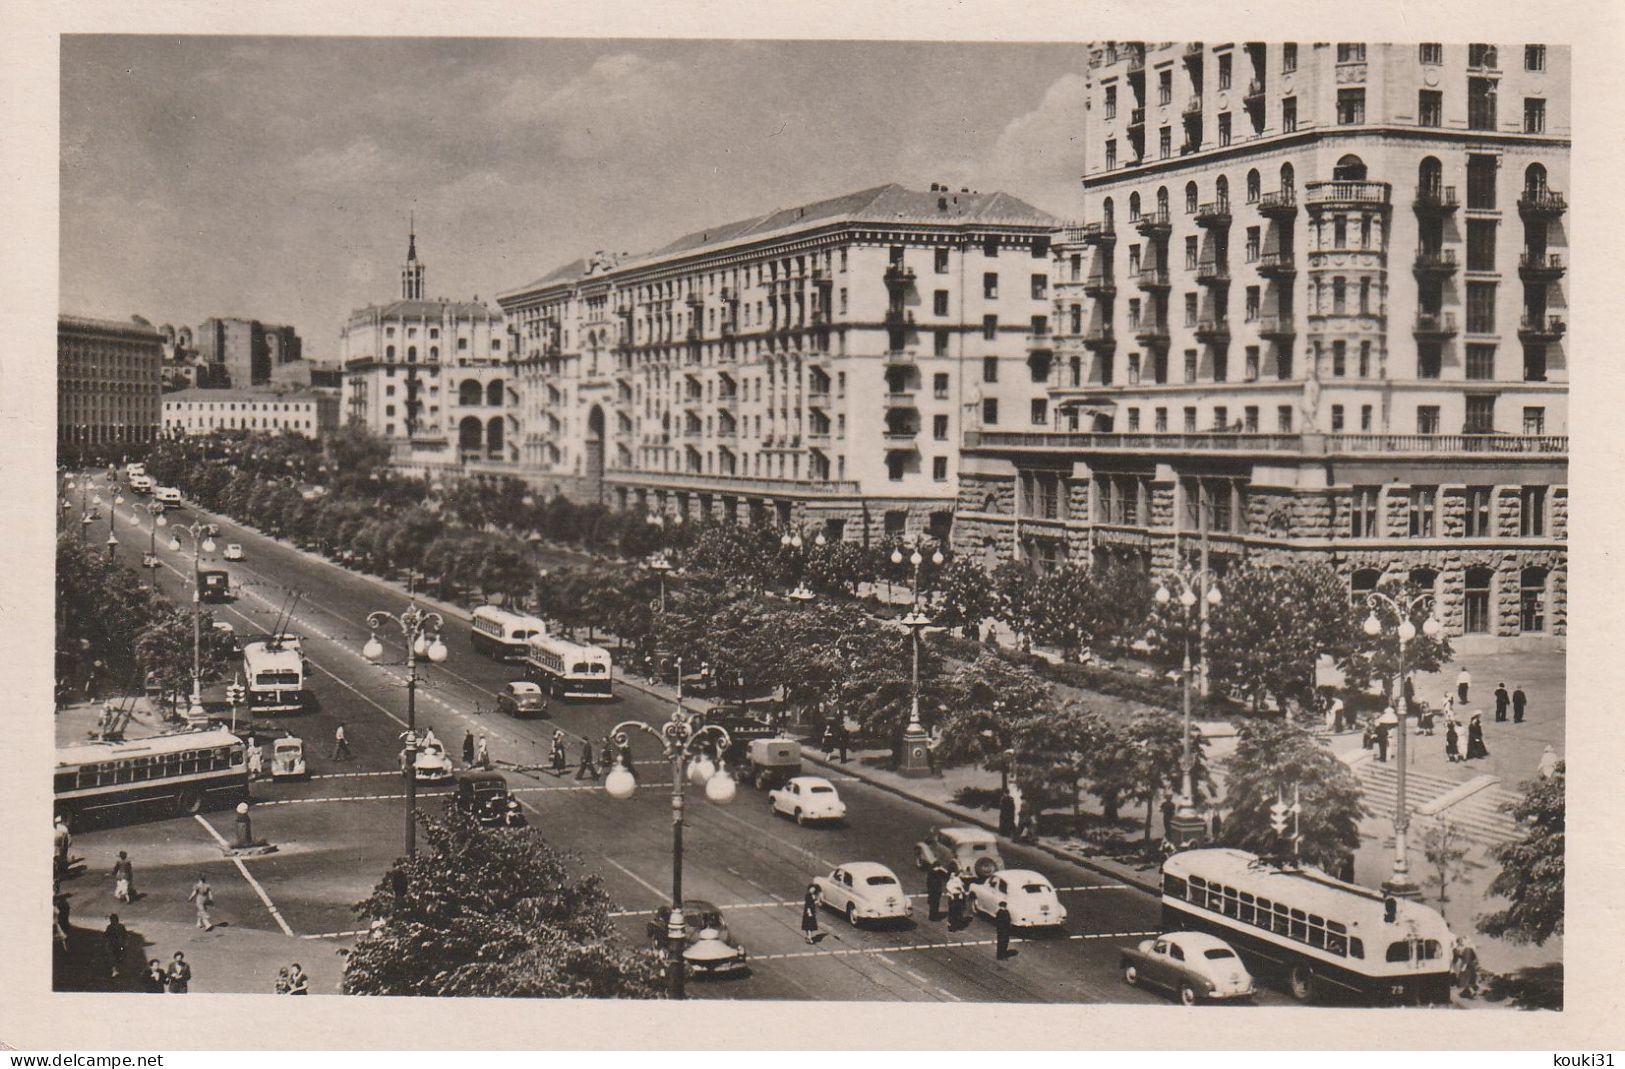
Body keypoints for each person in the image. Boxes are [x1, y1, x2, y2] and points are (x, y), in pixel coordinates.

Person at [104, 914, 129, 979]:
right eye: (111, 920)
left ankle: (119, 969)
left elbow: (125, 935)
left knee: (119, 957)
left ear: (116, 920)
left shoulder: (121, 926)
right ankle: (114, 971)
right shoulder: (109, 927)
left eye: (113, 920)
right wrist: (107, 943)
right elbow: (106, 936)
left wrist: (125, 942)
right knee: (112, 958)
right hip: (112, 945)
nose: (112, 921)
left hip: (120, 945)